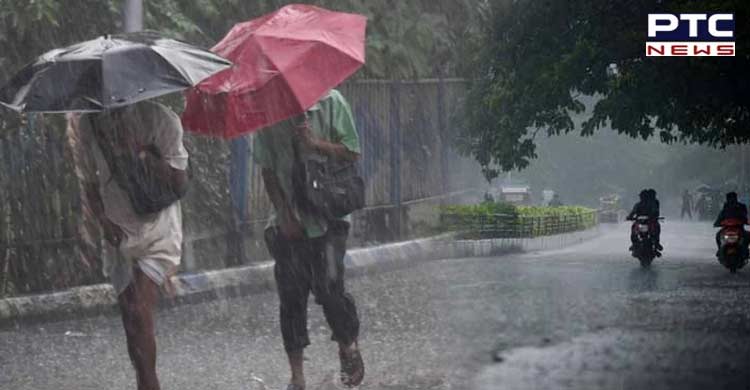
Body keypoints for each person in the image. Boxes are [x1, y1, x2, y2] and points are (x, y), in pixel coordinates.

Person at [68, 101, 189, 390]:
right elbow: (89, 184)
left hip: (157, 228)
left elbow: (180, 184)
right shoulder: (89, 124)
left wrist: (143, 154)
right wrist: (102, 222)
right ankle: (143, 380)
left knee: (138, 308)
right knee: (130, 322)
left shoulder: (161, 119)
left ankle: (150, 385)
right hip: (118, 231)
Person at [253, 89, 364, 390]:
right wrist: (284, 214)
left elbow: (352, 150)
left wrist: (316, 144)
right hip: (290, 223)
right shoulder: (267, 113)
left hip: (330, 217)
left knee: (329, 289)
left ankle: (347, 345)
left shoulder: (332, 102)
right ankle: (297, 376)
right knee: (291, 298)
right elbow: (267, 170)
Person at [713, 192, 749, 257]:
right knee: (718, 235)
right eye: (730, 198)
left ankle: (745, 250)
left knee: (747, 236)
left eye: (732, 198)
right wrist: (717, 223)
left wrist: (746, 221)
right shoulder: (725, 207)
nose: (731, 200)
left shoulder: (741, 206)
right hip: (727, 229)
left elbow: (745, 216)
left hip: (738, 228)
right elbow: (721, 216)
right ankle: (719, 250)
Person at [627, 189, 662, 253]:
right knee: (634, 229)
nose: (642, 197)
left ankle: (657, 243)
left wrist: (654, 217)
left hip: (651, 221)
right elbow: (633, 212)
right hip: (640, 222)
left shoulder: (653, 203)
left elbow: (656, 212)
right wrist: (630, 217)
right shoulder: (638, 204)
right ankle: (634, 244)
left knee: (656, 228)